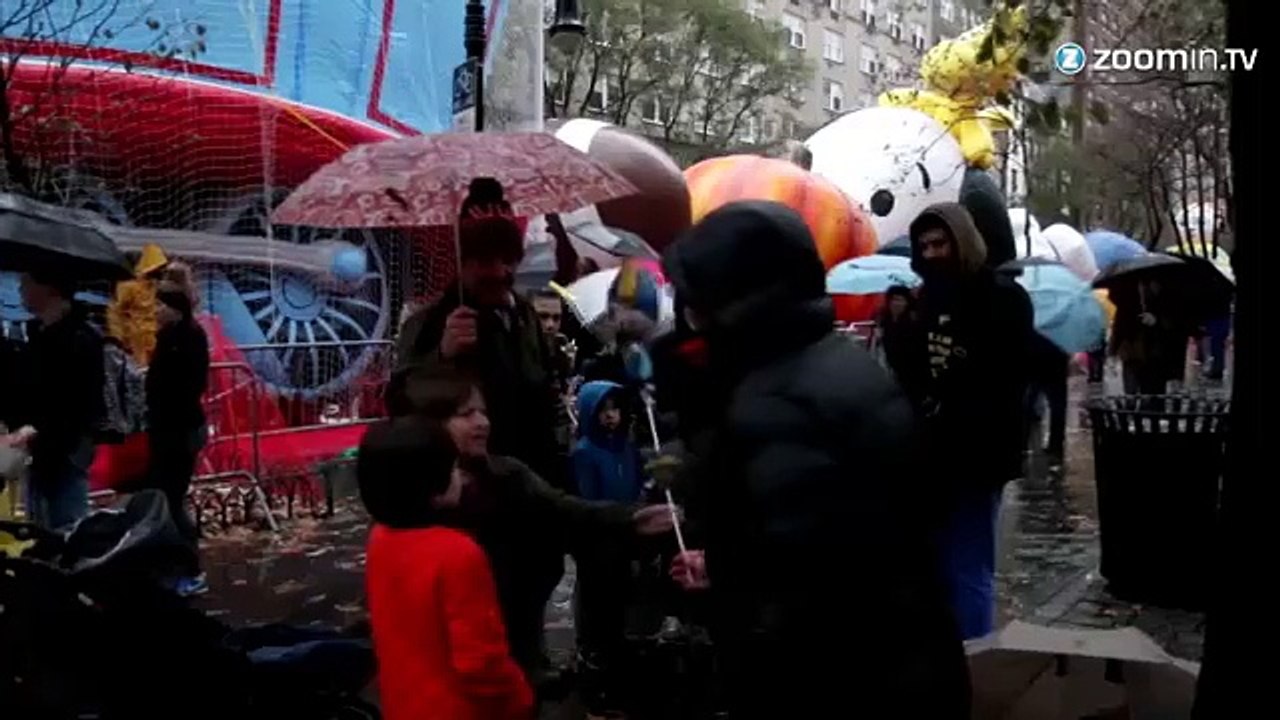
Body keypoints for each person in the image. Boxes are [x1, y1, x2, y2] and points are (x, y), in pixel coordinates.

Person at [661, 201, 970, 718]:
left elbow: (804, 587)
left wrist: (725, 577)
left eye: (698, 305)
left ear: (739, 303)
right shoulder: (834, 362)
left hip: (847, 682)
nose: (690, 322)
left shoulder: (775, 405)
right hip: (910, 658)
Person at [383, 367, 674, 693]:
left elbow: (563, 507)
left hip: (513, 629)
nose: (483, 423)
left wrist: (630, 518)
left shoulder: (507, 473)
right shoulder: (405, 513)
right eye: (466, 414)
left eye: (483, 411)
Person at [903, 202, 1035, 640]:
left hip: (979, 455)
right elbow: (916, 375)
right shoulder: (926, 299)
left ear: (962, 241)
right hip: (931, 456)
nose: (933, 252)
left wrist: (958, 383)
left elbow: (1008, 376)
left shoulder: (1002, 296)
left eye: (941, 242)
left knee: (969, 564)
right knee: (936, 562)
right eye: (925, 245)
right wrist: (899, 331)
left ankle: (976, 660)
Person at [359, 416, 533, 720]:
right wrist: (518, 697)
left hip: (404, 703)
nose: (460, 475)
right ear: (430, 483)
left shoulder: (381, 539)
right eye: (452, 467)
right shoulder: (457, 553)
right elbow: (480, 662)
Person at [393, 178, 564, 489]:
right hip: (468, 487)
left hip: (536, 479)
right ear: (463, 262)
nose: (500, 272)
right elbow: (401, 406)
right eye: (486, 261)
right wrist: (442, 355)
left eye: (508, 260)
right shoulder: (428, 322)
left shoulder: (526, 314)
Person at [571, 381, 648, 718]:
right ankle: (596, 674)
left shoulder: (627, 449)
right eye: (602, 410)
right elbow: (589, 501)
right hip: (600, 543)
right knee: (598, 610)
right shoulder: (585, 452)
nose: (610, 416)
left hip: (628, 537)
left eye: (614, 409)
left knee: (620, 607)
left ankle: (619, 671)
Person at [9, 270, 104, 529]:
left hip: (66, 448)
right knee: (40, 528)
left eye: (27, 282)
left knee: (67, 528)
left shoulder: (81, 339)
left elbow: (76, 400)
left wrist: (37, 427)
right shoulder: (38, 334)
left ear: (48, 288)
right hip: (40, 450)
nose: (20, 289)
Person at [145, 279, 211, 596]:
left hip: (179, 430)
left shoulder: (186, 338)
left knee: (171, 499)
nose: (155, 311)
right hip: (169, 429)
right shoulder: (170, 337)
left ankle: (190, 566)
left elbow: (184, 387)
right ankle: (171, 564)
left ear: (174, 308)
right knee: (166, 498)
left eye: (160, 305)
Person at [1110, 279, 1186, 395]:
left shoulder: (1170, 292)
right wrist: (1113, 349)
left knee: (1153, 392)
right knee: (1131, 392)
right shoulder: (1127, 292)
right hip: (1133, 349)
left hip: (1157, 353)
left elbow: (1177, 321)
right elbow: (1121, 321)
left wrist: (1157, 321)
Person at [1026, 332, 1070, 468]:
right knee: (1058, 407)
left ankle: (1023, 443)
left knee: (1029, 403)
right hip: (1056, 365)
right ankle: (1055, 446)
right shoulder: (1063, 331)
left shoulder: (1038, 325)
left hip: (1036, 363)